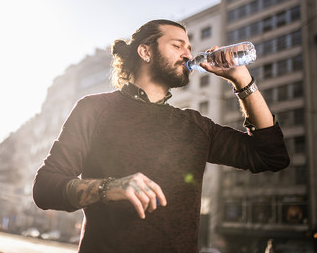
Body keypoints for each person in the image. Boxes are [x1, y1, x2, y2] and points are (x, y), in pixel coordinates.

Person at [32, 19, 290, 252]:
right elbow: (45, 188)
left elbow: (271, 155)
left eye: (189, 47)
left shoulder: (195, 125)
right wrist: (108, 187)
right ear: (145, 51)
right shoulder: (95, 108)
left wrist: (242, 81)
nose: (188, 54)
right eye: (178, 45)